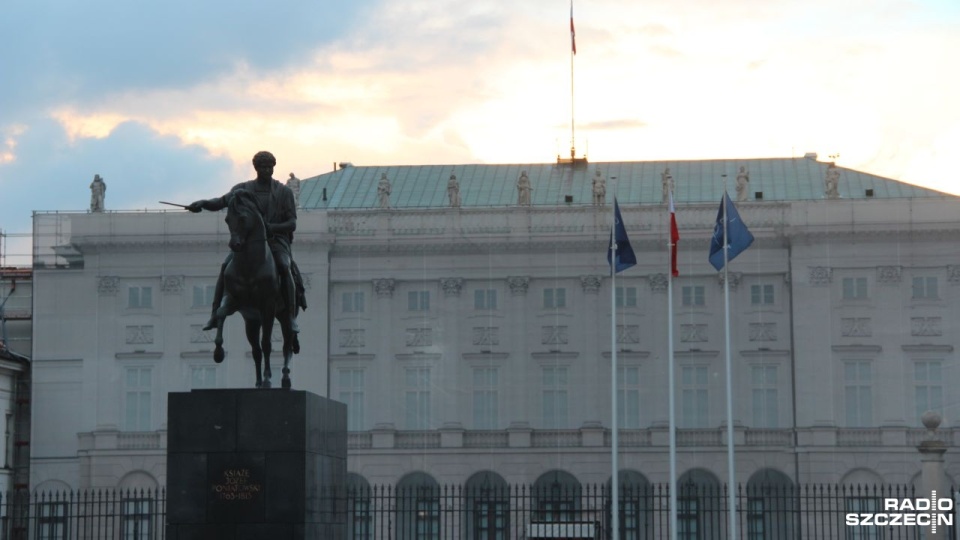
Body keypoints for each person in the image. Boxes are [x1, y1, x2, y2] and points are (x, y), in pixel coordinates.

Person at [187, 151, 303, 333]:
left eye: (270, 167)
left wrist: (270, 228)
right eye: (263, 167)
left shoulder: (283, 192)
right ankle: (214, 315)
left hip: (275, 242)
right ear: (256, 168)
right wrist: (202, 203)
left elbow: (292, 223)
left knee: (284, 266)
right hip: (248, 243)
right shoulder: (243, 190)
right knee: (226, 266)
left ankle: (290, 315)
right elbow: (220, 202)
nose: (267, 170)